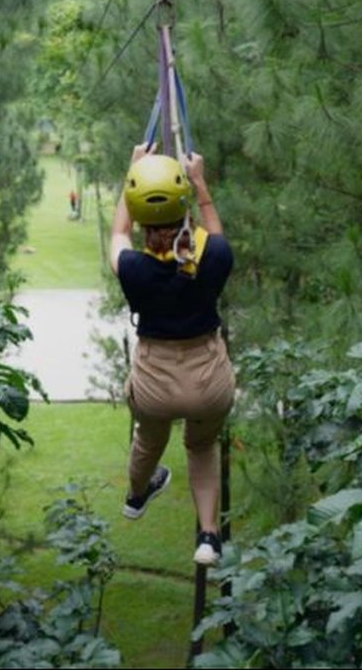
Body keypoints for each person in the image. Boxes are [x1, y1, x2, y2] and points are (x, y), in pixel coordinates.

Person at [110, 142, 235, 566]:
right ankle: (208, 537)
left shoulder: (133, 268)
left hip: (155, 384)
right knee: (200, 448)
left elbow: (117, 234)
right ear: (184, 206)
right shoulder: (213, 256)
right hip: (208, 383)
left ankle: (136, 494)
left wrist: (133, 173)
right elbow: (215, 235)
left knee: (149, 438)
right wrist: (199, 183)